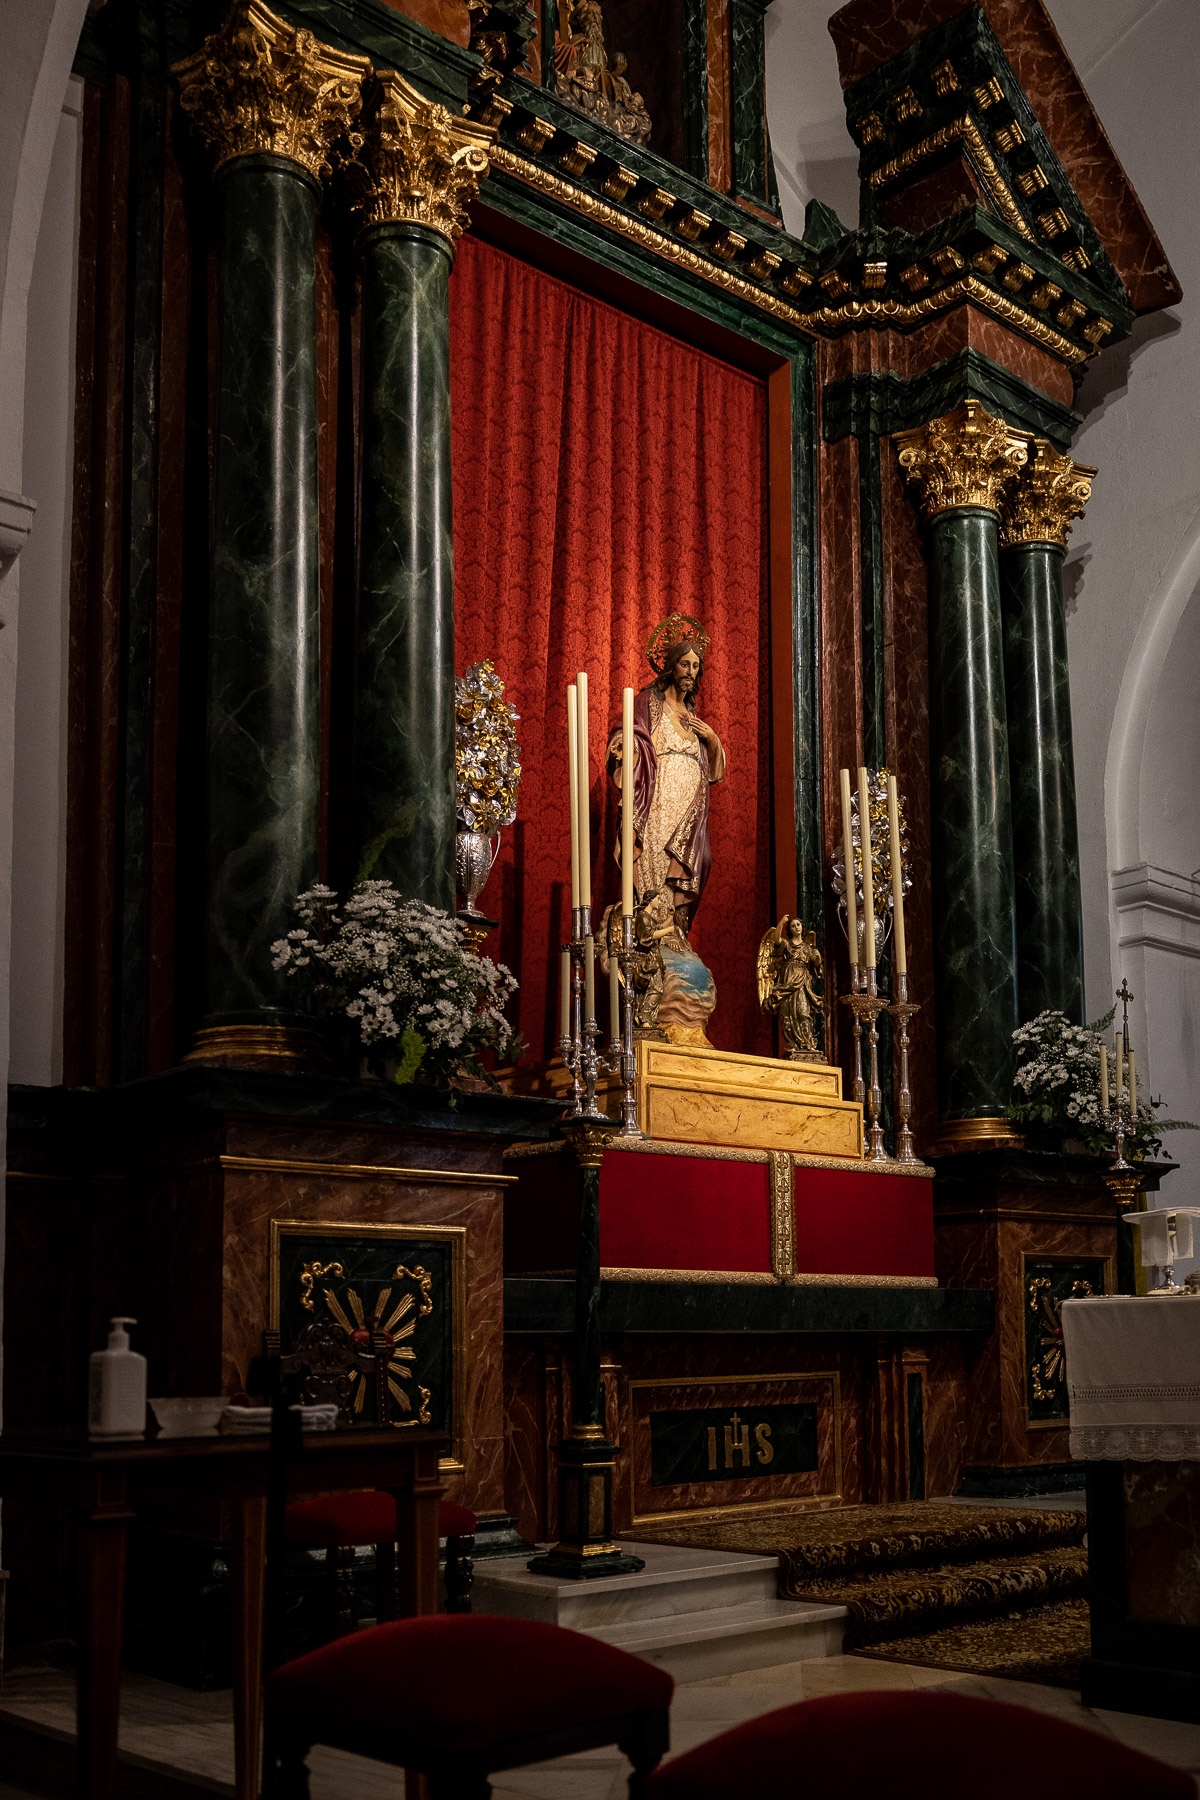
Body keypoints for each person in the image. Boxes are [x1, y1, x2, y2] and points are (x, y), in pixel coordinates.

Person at [606, 614, 725, 935]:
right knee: (654, 865)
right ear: (671, 666)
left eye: (695, 666)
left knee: (699, 862)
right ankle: (648, 930)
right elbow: (627, 733)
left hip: (690, 811)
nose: (690, 671)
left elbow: (713, 772)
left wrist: (712, 739)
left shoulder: (693, 716)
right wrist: (626, 746)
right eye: (685, 664)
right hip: (656, 803)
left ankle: (675, 934)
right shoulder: (648, 702)